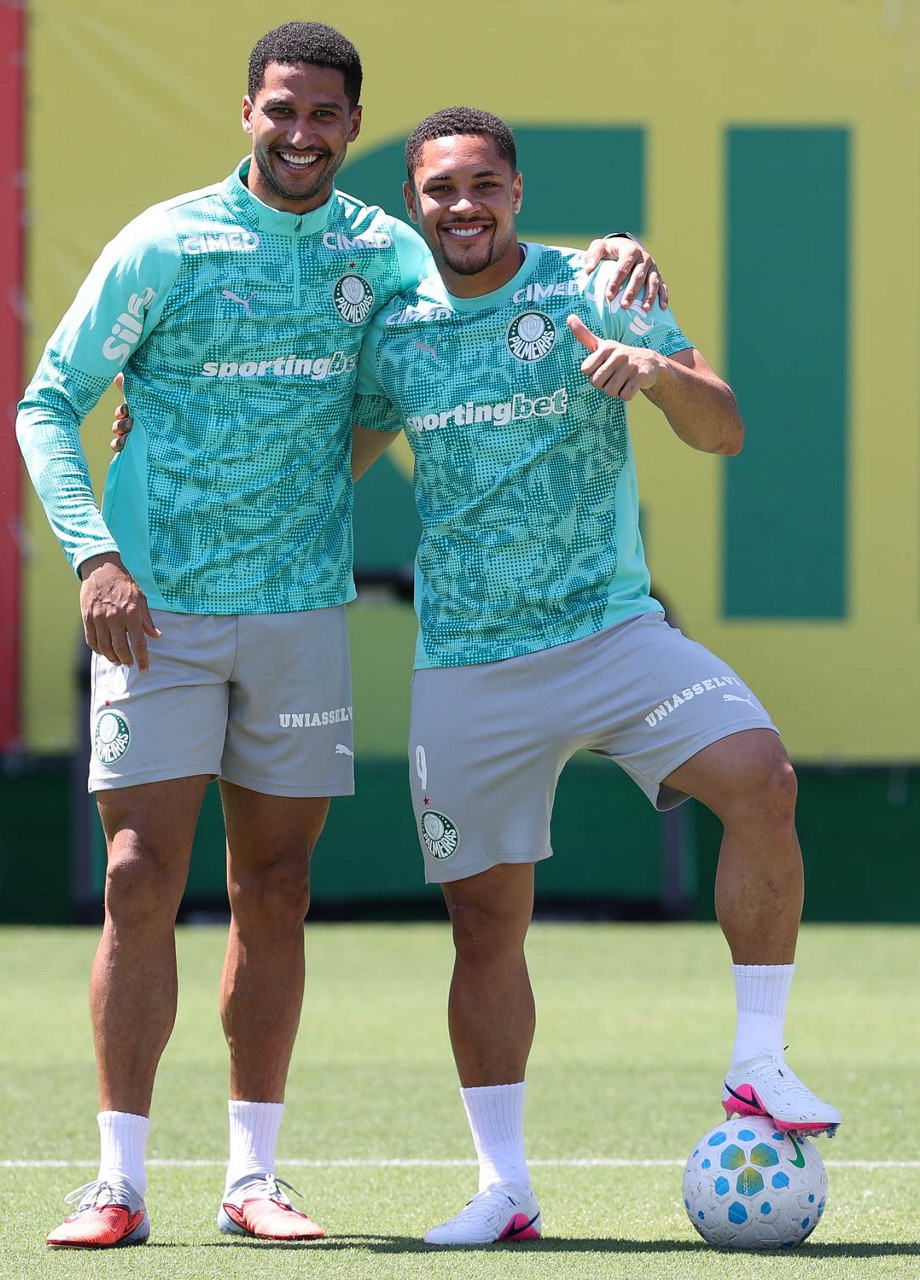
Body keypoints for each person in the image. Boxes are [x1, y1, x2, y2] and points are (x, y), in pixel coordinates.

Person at [17, 21, 660, 1250]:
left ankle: (252, 1176)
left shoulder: (389, 250)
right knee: (139, 875)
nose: (301, 132)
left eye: (324, 114)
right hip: (155, 609)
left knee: (275, 887)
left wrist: (612, 258)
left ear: (354, 126)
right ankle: (115, 1180)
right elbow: (48, 400)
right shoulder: (166, 241)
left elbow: (488, 275)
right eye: (281, 109)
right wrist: (96, 555)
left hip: (302, 611)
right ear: (246, 113)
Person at [349, 106, 841, 1246]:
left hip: (614, 637)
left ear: (518, 191)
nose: (462, 206)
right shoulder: (394, 325)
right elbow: (336, 459)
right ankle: (504, 1188)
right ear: (413, 202)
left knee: (762, 779)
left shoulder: (599, 283)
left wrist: (655, 371)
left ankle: (758, 1060)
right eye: (439, 189)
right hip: (468, 661)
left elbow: (722, 430)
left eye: (484, 184)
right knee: (486, 927)